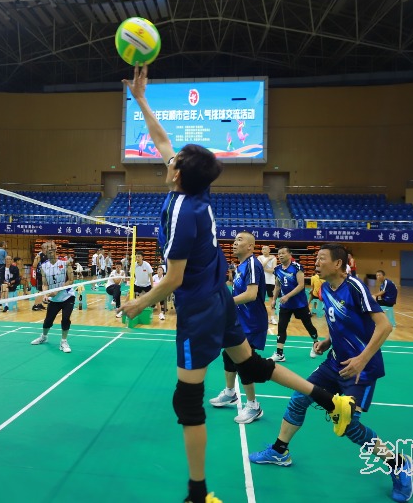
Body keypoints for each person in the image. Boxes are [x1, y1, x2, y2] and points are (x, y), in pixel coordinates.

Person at [119, 66, 355, 503]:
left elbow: (173, 278)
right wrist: (142, 99)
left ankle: (198, 494)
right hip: (220, 301)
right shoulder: (194, 192)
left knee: (187, 401)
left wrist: (139, 303)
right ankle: (330, 400)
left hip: (198, 310)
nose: (168, 157)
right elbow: (162, 139)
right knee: (253, 366)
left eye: (173, 160)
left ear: (177, 174)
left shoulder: (183, 214)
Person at [248, 244, 413, 503]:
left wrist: (361, 359)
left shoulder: (355, 287)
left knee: (349, 426)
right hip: (333, 363)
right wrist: (327, 341)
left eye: (322, 258)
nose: (316, 262)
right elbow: (340, 323)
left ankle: (399, 463)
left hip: (361, 370)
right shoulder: (325, 288)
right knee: (299, 397)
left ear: (338, 264)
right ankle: (280, 451)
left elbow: (384, 326)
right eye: (316, 258)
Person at [209, 231, 267, 425]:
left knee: (244, 363)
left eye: (239, 240)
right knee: (228, 355)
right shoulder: (241, 266)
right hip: (240, 320)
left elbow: (251, 294)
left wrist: (225, 303)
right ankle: (230, 393)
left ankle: (253, 406)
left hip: (252, 323)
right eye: (234, 240)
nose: (234, 243)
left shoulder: (252, 264)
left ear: (250, 246)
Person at [269, 246, 320, 362]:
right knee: (281, 327)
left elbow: (301, 285)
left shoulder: (297, 267)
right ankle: (279, 353)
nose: (280, 255)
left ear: (289, 254)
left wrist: (287, 296)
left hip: (300, 304)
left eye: (283, 253)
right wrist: (274, 299)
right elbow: (277, 285)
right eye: (279, 253)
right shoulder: (277, 269)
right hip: (285, 305)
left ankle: (316, 344)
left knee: (308, 325)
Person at [30, 240, 76, 353]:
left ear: (56, 249)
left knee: (65, 319)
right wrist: (46, 294)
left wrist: (58, 290)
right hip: (54, 299)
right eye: (47, 248)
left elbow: (71, 280)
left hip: (67, 296)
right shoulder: (43, 266)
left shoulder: (65, 263)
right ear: (44, 252)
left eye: (52, 247)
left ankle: (63, 342)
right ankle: (44, 337)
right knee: (48, 320)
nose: (50, 249)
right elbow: (45, 284)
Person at [257, 245, 277, 325]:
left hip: (270, 281)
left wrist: (264, 269)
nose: (264, 250)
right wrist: (268, 259)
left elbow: (274, 270)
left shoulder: (274, 258)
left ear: (269, 250)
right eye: (263, 249)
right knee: (259, 299)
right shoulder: (259, 257)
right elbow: (260, 267)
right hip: (261, 281)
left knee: (272, 300)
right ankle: (260, 317)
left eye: (266, 249)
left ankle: (272, 318)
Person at [31, 243, 48, 311]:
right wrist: (34, 275)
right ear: (43, 248)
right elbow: (34, 265)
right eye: (46, 247)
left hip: (45, 275)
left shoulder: (47, 255)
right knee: (40, 290)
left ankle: (39, 304)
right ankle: (35, 305)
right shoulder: (39, 255)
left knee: (44, 290)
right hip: (39, 275)